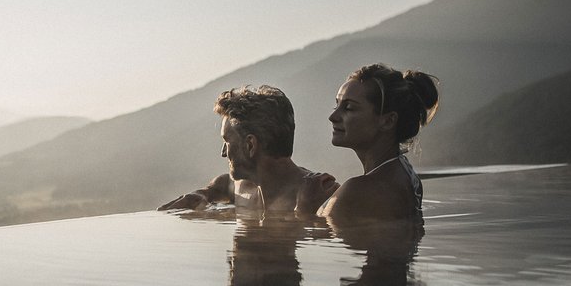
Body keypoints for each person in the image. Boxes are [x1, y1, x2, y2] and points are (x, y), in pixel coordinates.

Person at [158, 85, 339, 215]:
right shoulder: (244, 187)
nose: (223, 153)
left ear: (250, 145)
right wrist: (204, 193)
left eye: (227, 142)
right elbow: (224, 183)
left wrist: (304, 215)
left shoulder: (320, 193)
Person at [318, 63, 439, 221]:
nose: (333, 117)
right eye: (337, 105)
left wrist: (303, 206)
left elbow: (318, 234)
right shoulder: (406, 175)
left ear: (388, 121)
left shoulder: (358, 190)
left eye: (348, 108)